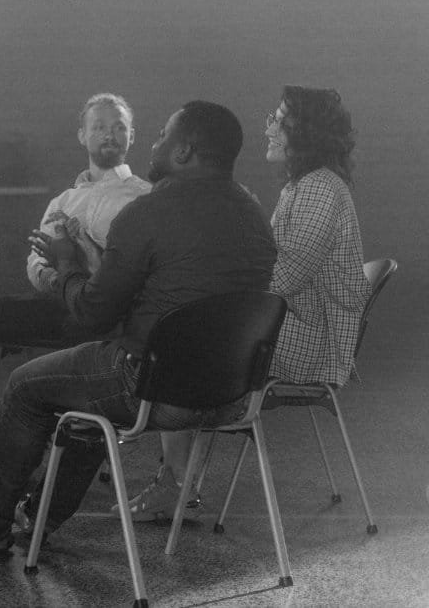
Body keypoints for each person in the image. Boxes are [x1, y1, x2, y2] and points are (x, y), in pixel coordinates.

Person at [0, 101, 277, 552]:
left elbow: (91, 314)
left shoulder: (148, 212)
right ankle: (34, 519)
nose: (155, 142)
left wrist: (67, 264)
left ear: (184, 152)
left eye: (163, 135)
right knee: (85, 398)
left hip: (151, 387)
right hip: (232, 398)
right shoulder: (254, 214)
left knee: (27, 384)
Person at [118, 86, 368, 521]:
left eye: (279, 118)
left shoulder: (317, 190)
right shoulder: (303, 186)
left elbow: (281, 278)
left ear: (304, 131)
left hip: (307, 341)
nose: (268, 126)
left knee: (185, 337)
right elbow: (272, 270)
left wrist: (214, 276)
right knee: (189, 324)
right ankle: (171, 476)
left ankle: (166, 475)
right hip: (289, 325)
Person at [0, 93, 151, 471]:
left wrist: (79, 258)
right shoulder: (62, 200)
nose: (109, 134)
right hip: (60, 303)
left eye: (119, 127)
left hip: (107, 316)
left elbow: (132, 274)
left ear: (132, 136)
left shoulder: (143, 198)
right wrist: (58, 274)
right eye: (99, 126)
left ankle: (43, 441)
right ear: (82, 135)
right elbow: (35, 265)